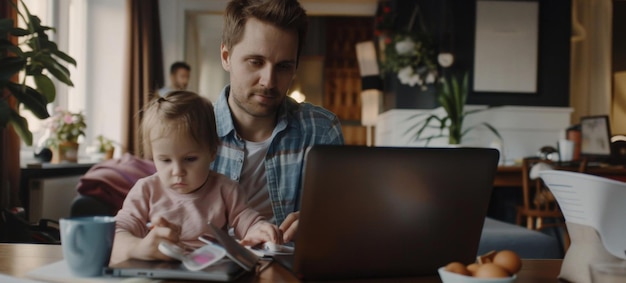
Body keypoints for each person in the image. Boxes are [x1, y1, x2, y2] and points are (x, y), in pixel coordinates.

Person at [211, 0, 345, 244]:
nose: (269, 81)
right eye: (256, 62)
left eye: (283, 66)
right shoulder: (194, 130)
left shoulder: (322, 130)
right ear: (226, 56)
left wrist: (323, 222)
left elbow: (342, 218)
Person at [111, 91, 281, 263]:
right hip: (159, 268)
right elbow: (117, 232)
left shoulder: (225, 190)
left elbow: (247, 220)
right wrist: (138, 248)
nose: (177, 171)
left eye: (190, 159)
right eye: (165, 160)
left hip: (209, 270)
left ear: (212, 152)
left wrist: (258, 229)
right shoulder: (146, 190)